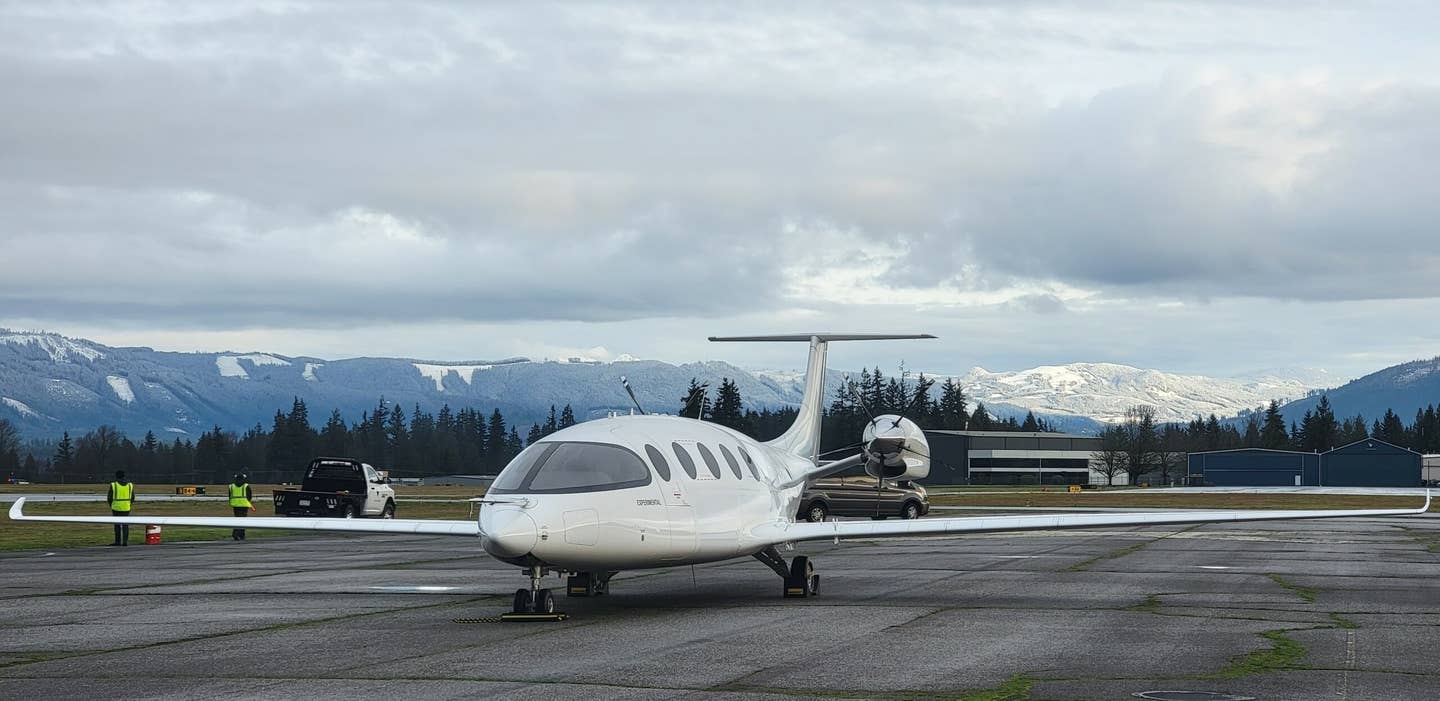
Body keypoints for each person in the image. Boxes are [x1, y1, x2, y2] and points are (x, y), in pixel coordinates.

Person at [107, 470, 134, 546]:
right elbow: (133, 497)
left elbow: (109, 497)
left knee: (117, 525)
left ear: (116, 476)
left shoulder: (114, 485)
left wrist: (112, 505)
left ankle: (117, 541)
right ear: (124, 476)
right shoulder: (130, 485)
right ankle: (125, 541)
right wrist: (128, 504)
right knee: (125, 525)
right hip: (126, 507)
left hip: (116, 507)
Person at [228, 473, 253, 541]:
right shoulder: (246, 486)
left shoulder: (231, 486)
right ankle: (236, 534)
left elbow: (230, 495)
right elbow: (249, 495)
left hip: (235, 505)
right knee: (242, 520)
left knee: (237, 519)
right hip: (244, 505)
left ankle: (241, 534)